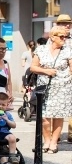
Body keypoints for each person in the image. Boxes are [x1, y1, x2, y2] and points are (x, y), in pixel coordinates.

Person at [30, 25, 72, 153]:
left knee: (58, 116)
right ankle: (46, 141)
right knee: (44, 117)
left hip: (63, 88)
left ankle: (53, 143)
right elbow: (33, 68)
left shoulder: (68, 50)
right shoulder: (41, 49)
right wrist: (46, 71)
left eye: (66, 36)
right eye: (61, 36)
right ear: (53, 37)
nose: (64, 39)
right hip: (45, 88)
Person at [56, 14, 72, 143]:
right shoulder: (52, 39)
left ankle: (71, 133)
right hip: (58, 78)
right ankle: (56, 134)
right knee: (58, 106)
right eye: (64, 23)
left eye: (69, 23)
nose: (67, 25)